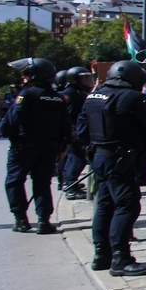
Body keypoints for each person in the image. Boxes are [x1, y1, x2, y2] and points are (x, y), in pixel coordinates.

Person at [80, 60, 146, 276]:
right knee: (127, 205)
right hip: (122, 158)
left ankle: (101, 254)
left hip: (99, 156)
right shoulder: (133, 98)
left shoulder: (93, 96)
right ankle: (120, 259)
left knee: (104, 204)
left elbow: (81, 129)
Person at [0, 58, 69, 234]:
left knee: (14, 181)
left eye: (26, 74)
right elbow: (65, 126)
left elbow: (13, 119)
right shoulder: (58, 98)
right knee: (42, 183)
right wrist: (62, 148)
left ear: (34, 76)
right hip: (48, 147)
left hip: (23, 146)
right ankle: (44, 221)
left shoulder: (26, 95)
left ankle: (21, 219)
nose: (23, 78)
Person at [59, 66, 93, 199]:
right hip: (76, 131)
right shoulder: (72, 94)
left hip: (77, 130)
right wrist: (74, 132)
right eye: (84, 78)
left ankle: (70, 182)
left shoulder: (78, 92)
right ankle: (70, 186)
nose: (87, 81)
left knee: (76, 157)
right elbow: (71, 115)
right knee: (77, 158)